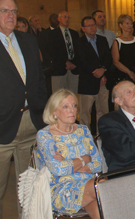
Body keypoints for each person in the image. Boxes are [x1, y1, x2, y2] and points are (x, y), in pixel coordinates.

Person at [0, 0, 47, 218]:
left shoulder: (28, 41)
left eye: (14, 11)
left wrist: (44, 113)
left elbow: (39, 81)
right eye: (4, 11)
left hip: (30, 123)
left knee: (27, 187)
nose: (10, 15)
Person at [36, 89, 101, 218]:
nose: (72, 110)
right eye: (65, 106)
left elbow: (98, 163)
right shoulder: (45, 135)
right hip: (61, 188)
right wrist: (85, 158)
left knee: (100, 207)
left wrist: (69, 162)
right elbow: (59, 170)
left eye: (74, 106)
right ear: (54, 112)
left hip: (88, 183)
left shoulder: (83, 130)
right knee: (102, 188)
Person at [74, 16, 112, 133]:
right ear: (83, 28)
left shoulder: (102, 40)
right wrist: (98, 72)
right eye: (89, 26)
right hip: (88, 81)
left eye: (93, 25)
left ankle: (102, 135)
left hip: (103, 80)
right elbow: (82, 61)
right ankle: (85, 136)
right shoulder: (79, 42)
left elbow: (108, 58)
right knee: (85, 113)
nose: (92, 28)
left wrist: (103, 70)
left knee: (103, 111)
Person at [110, 14, 135, 97]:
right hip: (122, 74)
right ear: (120, 25)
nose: (130, 25)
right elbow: (116, 61)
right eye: (127, 23)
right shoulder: (117, 42)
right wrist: (129, 73)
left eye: (131, 23)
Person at [46, 11, 80, 94]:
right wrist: (65, 62)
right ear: (59, 19)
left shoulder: (74, 33)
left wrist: (74, 63)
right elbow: (52, 51)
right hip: (59, 69)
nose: (67, 19)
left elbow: (78, 50)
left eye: (68, 17)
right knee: (58, 95)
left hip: (73, 68)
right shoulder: (52, 34)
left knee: (73, 94)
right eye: (64, 17)